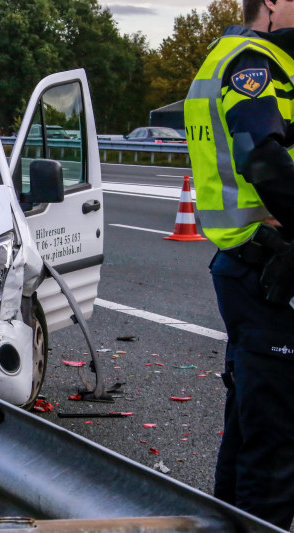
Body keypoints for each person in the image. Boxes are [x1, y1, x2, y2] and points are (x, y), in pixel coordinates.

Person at [185, 0, 294, 529]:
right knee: (275, 454)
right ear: (271, 3)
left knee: (251, 433)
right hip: (266, 271)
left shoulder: (236, 56)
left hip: (251, 266)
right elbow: (264, 159)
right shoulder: (253, 61)